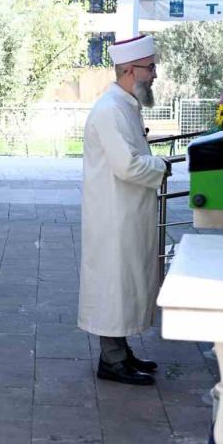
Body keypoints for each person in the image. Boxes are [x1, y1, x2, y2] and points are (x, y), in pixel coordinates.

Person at [78, 35, 170, 387]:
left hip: (125, 212)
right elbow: (128, 165)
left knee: (125, 283)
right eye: (150, 68)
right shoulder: (111, 109)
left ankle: (120, 351)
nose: (155, 75)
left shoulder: (124, 105)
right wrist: (160, 166)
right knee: (115, 286)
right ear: (130, 70)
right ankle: (112, 359)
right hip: (114, 216)